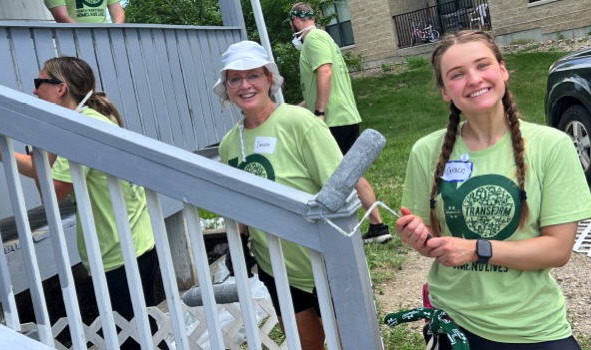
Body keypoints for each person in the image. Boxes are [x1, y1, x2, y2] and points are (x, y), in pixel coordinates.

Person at [395, 30, 591, 349]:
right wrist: (419, 238)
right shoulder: (425, 152)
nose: (473, 79)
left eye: (482, 65)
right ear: (445, 91)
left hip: (532, 326)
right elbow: (431, 239)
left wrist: (475, 249)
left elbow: (557, 250)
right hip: (454, 322)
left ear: (502, 70)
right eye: (457, 74)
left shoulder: (552, 145)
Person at [0, 57, 161, 350]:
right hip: (138, 244)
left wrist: (37, 142)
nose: (34, 91)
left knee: (132, 340)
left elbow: (50, 193)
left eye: (39, 83)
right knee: (144, 333)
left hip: (116, 255)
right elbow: (41, 168)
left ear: (60, 88)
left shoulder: (77, 130)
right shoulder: (93, 118)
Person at [214, 40, 342, 350]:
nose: (245, 85)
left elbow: (339, 186)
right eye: (235, 78)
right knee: (306, 342)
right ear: (227, 87)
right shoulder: (229, 144)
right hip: (276, 264)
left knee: (347, 339)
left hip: (324, 258)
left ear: (269, 79)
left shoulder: (300, 124)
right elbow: (239, 202)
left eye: (254, 75)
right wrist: (238, 242)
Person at [289, 2, 390, 244]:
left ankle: (332, 230)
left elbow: (325, 72)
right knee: (351, 172)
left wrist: (319, 112)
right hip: (344, 116)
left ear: (294, 20)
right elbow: (323, 83)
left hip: (333, 119)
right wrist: (299, 107)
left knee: (327, 174)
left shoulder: (313, 40)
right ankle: (378, 227)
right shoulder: (326, 40)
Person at [44, 0, 125, 23]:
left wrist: (115, 28)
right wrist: (83, 33)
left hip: (104, 36)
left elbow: (117, 9)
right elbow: (61, 17)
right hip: (73, 38)